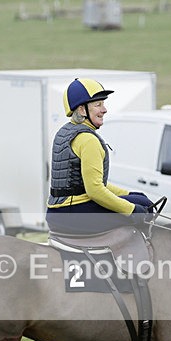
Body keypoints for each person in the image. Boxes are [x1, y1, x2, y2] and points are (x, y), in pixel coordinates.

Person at [45, 78, 153, 234]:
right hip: (74, 213)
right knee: (145, 209)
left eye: (103, 103)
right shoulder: (88, 140)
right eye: (98, 105)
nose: (104, 109)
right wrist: (132, 210)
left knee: (141, 200)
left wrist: (129, 194)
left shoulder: (66, 131)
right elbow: (95, 190)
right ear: (82, 110)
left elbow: (90, 183)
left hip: (58, 213)